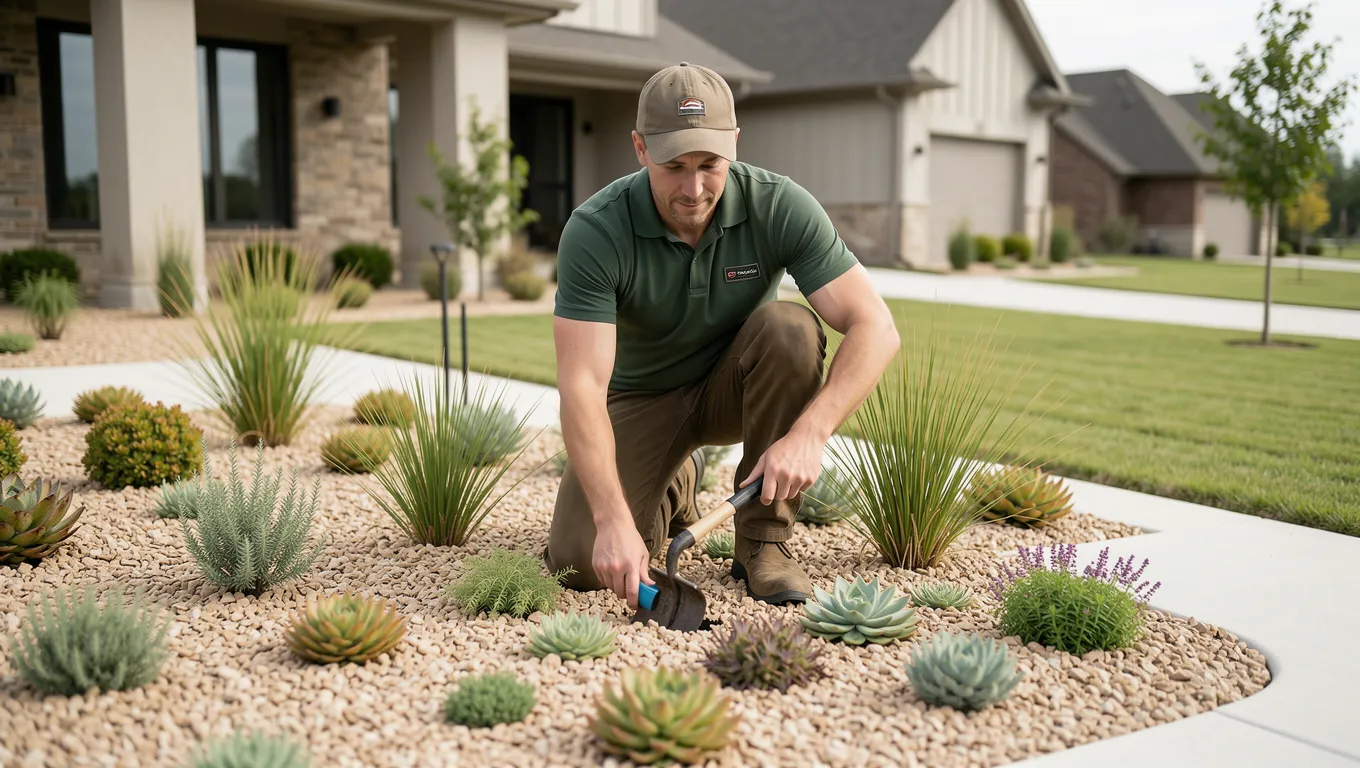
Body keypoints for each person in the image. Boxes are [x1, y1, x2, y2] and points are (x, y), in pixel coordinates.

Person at [543, 61, 900, 611]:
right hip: (644, 398)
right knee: (579, 561)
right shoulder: (596, 230)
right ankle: (677, 479)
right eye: (673, 166)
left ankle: (763, 542)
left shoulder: (778, 205)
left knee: (791, 329)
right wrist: (614, 521)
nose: (693, 188)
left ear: (734, 143)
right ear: (640, 149)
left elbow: (876, 326)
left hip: (740, 387)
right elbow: (582, 386)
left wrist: (810, 433)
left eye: (710, 164)